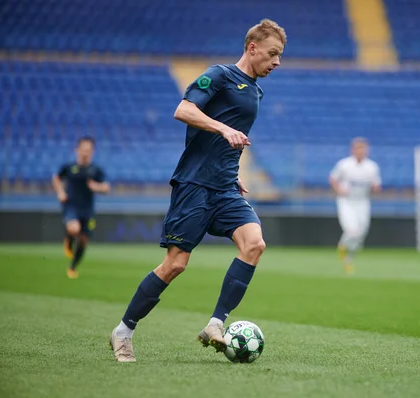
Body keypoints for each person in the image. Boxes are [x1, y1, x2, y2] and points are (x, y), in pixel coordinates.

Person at [109, 19, 287, 363]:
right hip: (193, 186)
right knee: (175, 265)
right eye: (272, 54)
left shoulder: (256, 91)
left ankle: (215, 324)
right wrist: (223, 129)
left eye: (279, 56)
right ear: (252, 48)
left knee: (255, 244)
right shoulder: (219, 76)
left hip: (225, 187)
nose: (277, 62)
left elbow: (228, 142)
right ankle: (123, 331)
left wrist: (229, 171)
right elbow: (183, 109)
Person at [52, 136, 110, 279]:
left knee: (84, 240)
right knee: (74, 228)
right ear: (77, 150)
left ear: (93, 152)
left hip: (87, 209)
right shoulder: (69, 168)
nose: (85, 153)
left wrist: (96, 187)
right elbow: (56, 178)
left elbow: (106, 187)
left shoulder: (95, 170)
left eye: (88, 150)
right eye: (83, 149)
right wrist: (60, 192)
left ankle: (72, 267)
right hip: (71, 205)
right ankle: (69, 240)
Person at [329, 137, 381, 274]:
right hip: (346, 201)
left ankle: (349, 258)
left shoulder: (372, 167)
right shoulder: (345, 165)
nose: (361, 151)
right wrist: (339, 189)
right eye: (358, 148)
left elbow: (376, 184)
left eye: (363, 148)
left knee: (361, 233)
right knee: (352, 230)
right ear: (353, 149)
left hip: (362, 201)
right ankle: (342, 247)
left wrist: (376, 188)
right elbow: (333, 178)